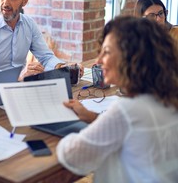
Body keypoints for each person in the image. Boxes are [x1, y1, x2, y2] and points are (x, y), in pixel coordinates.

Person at [57, 16, 178, 182]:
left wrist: (64, 132)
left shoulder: (127, 110)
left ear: (130, 57)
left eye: (106, 52)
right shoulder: (168, 99)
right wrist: (93, 118)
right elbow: (135, 131)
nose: (99, 61)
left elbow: (73, 156)